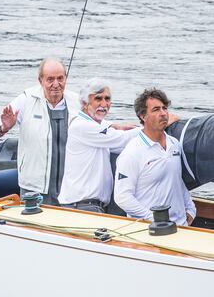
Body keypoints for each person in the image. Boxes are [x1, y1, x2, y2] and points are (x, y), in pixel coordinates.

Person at [0, 58, 79, 205]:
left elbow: (96, 127)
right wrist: (5, 127)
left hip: (69, 188)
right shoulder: (26, 99)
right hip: (34, 188)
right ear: (40, 80)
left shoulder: (77, 101)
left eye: (60, 78)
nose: (56, 84)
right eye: (50, 79)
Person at [114, 88, 195, 225]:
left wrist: (191, 209)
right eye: (156, 109)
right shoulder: (132, 152)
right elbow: (122, 197)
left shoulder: (174, 145)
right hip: (148, 230)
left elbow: (176, 181)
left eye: (165, 108)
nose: (163, 113)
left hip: (180, 227)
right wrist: (152, 218)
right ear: (143, 116)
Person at [58, 78, 141, 213]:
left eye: (107, 99)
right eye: (98, 99)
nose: (104, 104)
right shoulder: (81, 126)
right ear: (85, 103)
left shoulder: (97, 126)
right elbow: (121, 139)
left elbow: (120, 143)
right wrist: (151, 125)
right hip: (82, 207)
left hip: (92, 206)